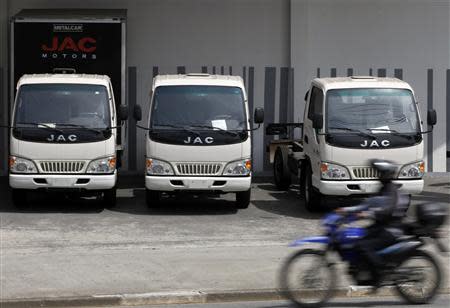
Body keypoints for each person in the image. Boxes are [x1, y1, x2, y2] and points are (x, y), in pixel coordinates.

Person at [336, 160, 409, 284]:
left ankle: (380, 273)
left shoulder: (391, 190)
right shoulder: (384, 189)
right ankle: (364, 270)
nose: (378, 176)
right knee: (357, 238)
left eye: (380, 173)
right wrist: (346, 210)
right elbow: (366, 205)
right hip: (381, 227)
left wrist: (368, 214)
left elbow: (388, 210)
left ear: (386, 174)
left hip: (390, 230)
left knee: (363, 245)